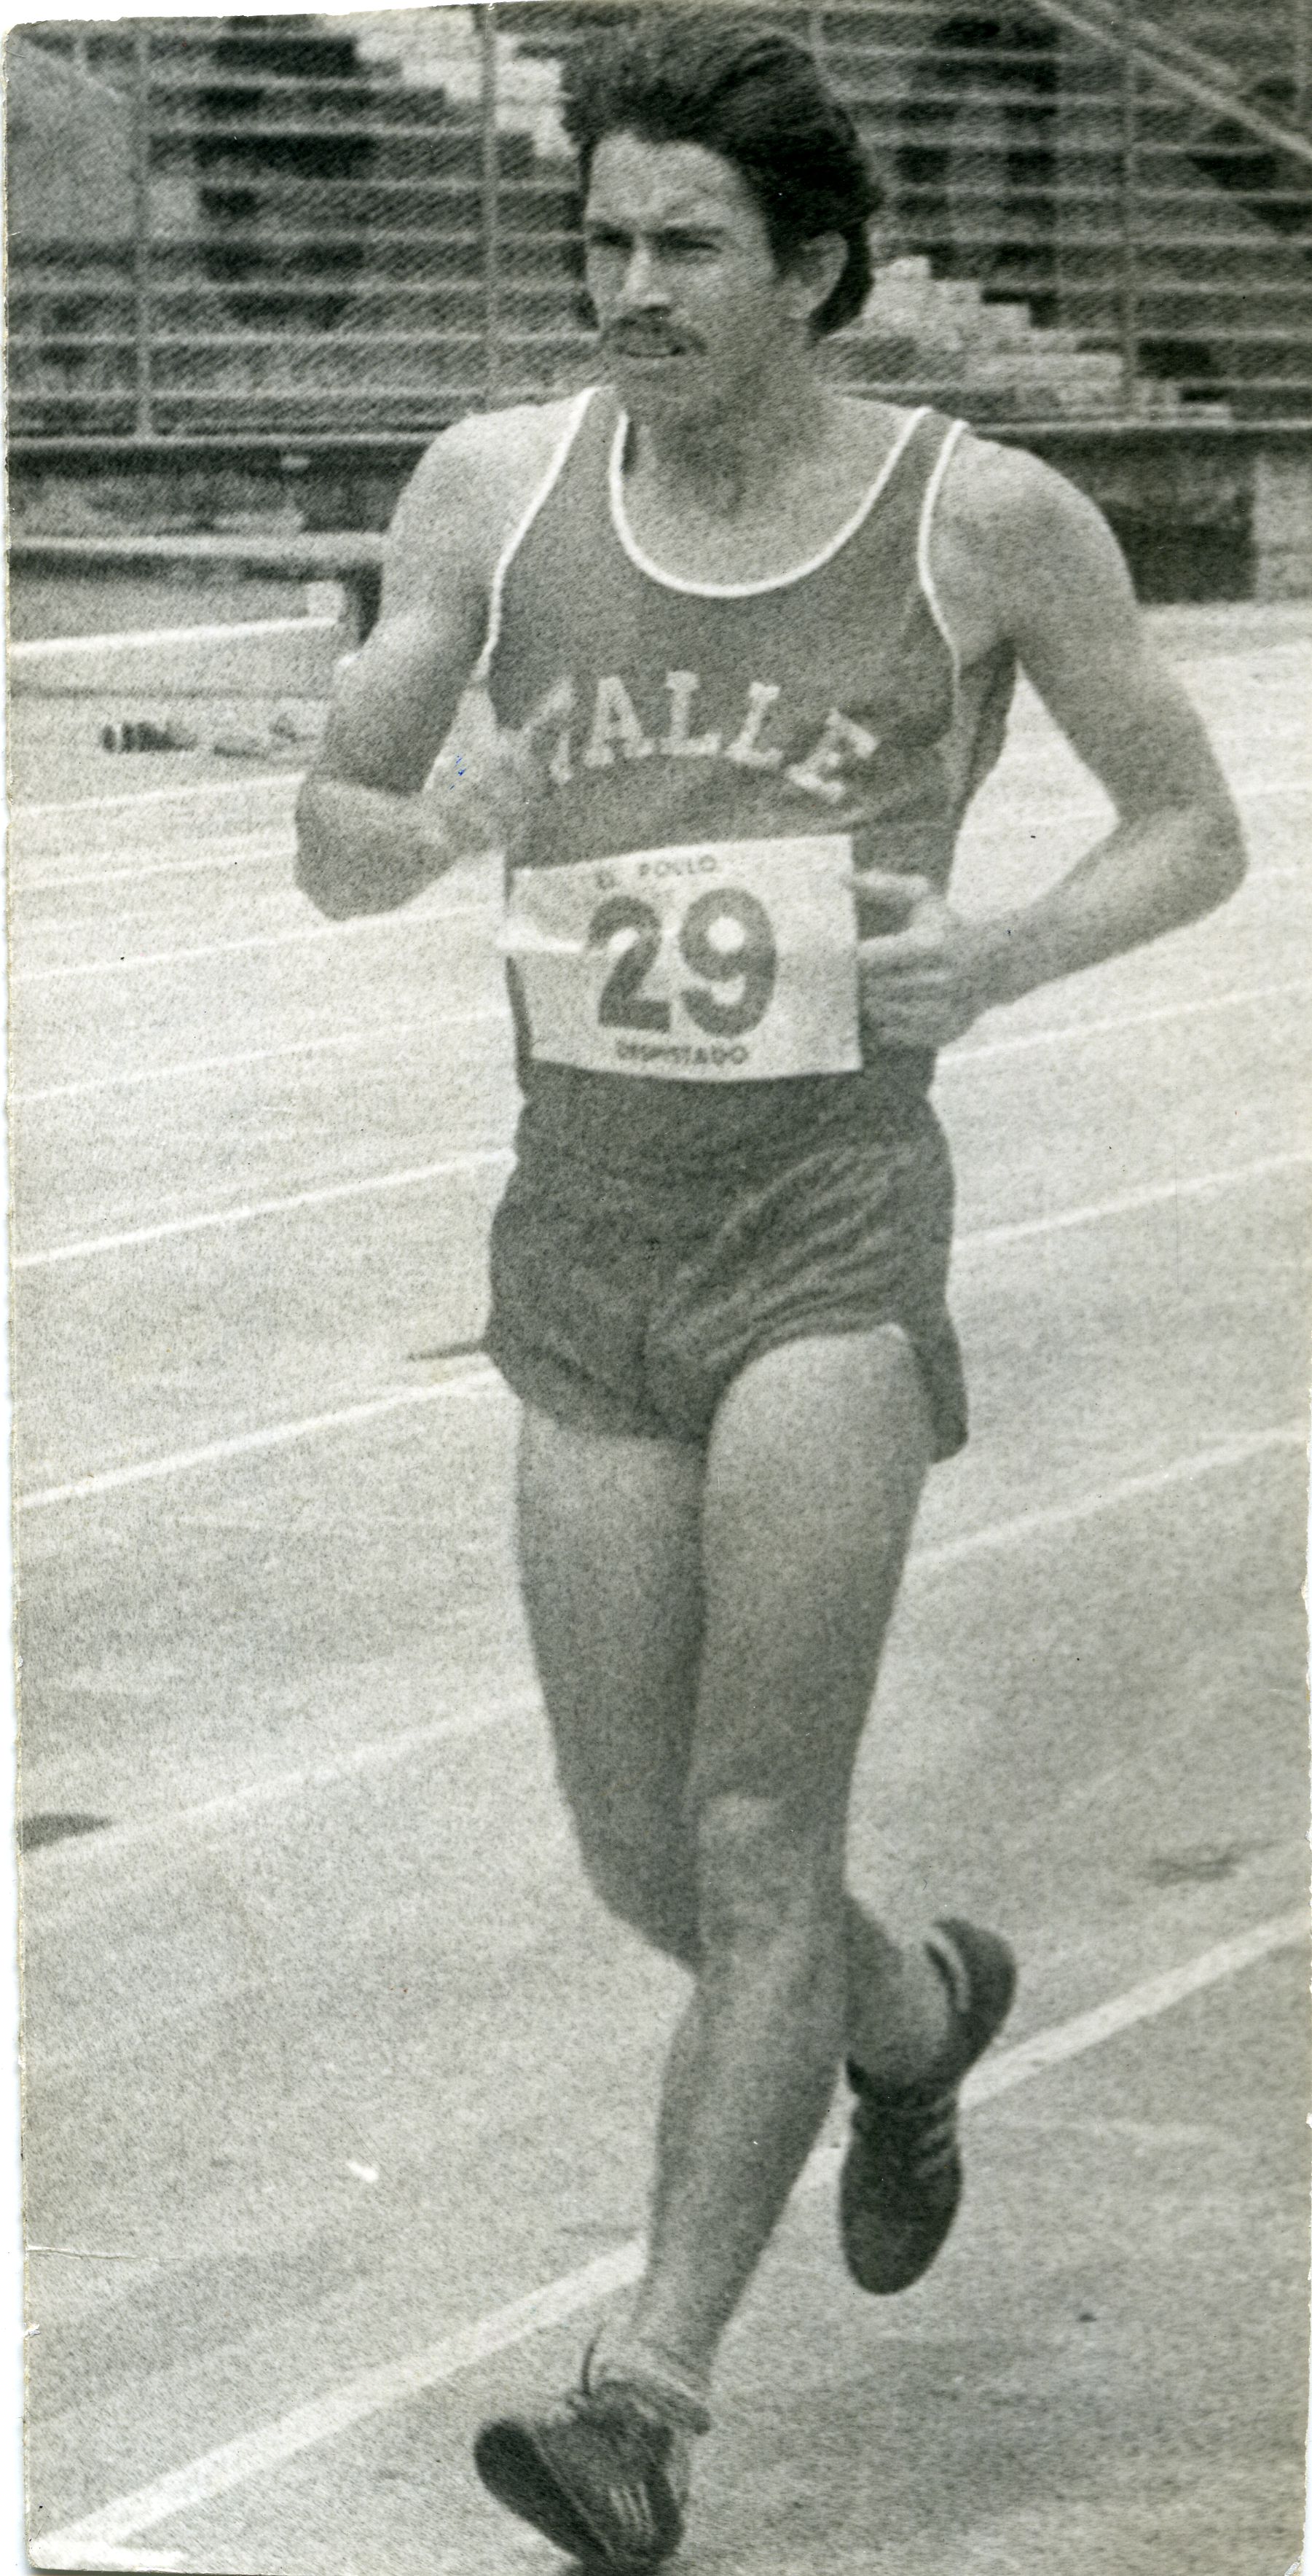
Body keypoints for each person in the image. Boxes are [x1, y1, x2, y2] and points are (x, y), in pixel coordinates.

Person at [296, 16, 1244, 2566]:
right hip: (581, 1242)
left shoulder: (981, 517)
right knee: (641, 1855)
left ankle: (646, 2397)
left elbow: (1188, 827)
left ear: (811, 270)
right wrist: (428, 818)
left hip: (826, 1236)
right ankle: (911, 2012)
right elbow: (330, 835)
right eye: (602, 239)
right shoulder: (492, 489)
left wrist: (995, 959)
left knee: (744, 1832)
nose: (628, 286)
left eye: (684, 245)